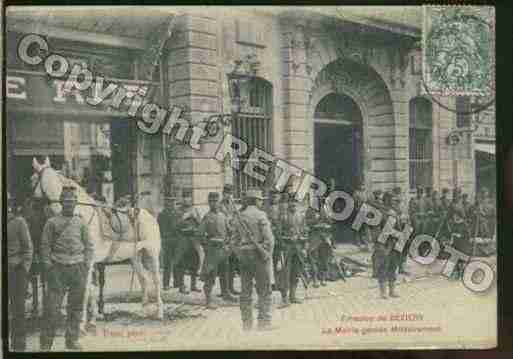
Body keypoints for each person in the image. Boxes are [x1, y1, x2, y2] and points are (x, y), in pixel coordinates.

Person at [40, 186, 94, 351]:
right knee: (52, 307)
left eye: (72, 202)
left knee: (76, 306)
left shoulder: (81, 222)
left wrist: (85, 265)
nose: (69, 204)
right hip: (58, 268)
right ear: (61, 202)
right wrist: (49, 266)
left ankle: (72, 340)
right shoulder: (52, 223)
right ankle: (46, 342)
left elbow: (89, 246)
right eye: (66, 201)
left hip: (78, 268)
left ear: (76, 203)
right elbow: (44, 246)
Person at [237, 189, 275, 331]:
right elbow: (269, 239)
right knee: (264, 290)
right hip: (259, 256)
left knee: (245, 291)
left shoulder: (240, 216)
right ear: (256, 200)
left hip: (244, 256)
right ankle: (264, 322)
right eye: (260, 200)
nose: (261, 202)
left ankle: (246, 324)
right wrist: (267, 254)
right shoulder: (261, 215)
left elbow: (234, 240)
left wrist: (240, 254)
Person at [199, 192, 235, 309]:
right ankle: (208, 299)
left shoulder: (223, 216)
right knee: (210, 275)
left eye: (216, 201)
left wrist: (229, 243)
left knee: (225, 273)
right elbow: (200, 234)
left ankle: (226, 294)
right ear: (209, 203)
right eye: (211, 201)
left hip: (223, 250)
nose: (214, 204)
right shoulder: (207, 217)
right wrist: (207, 246)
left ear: (219, 202)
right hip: (212, 251)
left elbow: (230, 231)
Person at [7, 193, 33, 352]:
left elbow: (28, 249)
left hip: (16, 272)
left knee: (18, 310)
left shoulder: (19, 222)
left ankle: (18, 345)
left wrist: (23, 270)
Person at [278, 196, 308, 307]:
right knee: (285, 273)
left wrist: (304, 245)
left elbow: (305, 231)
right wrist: (287, 239)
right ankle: (284, 298)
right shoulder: (283, 217)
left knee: (296, 272)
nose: (293, 204)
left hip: (299, 248)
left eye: (295, 202)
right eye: (291, 202)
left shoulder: (301, 216)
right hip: (287, 249)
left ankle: (293, 295)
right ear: (288, 203)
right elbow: (278, 234)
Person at [372, 191, 401, 299]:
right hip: (384, 244)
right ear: (387, 200)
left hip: (394, 243)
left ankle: (392, 291)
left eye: (394, 200)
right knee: (383, 267)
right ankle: (383, 292)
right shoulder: (379, 213)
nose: (394, 202)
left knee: (393, 266)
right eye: (392, 200)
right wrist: (379, 244)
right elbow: (375, 229)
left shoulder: (394, 213)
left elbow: (399, 228)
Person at [157, 194, 187, 292]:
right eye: (170, 201)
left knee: (178, 262)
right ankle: (166, 284)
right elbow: (160, 228)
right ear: (166, 203)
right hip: (168, 241)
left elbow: (182, 225)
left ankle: (177, 283)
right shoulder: (162, 214)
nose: (172, 203)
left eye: (173, 201)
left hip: (176, 240)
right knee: (168, 263)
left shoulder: (177, 213)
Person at [179, 188, 203, 293]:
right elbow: (176, 224)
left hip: (193, 239)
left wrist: (195, 218)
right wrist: (185, 217)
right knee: (183, 264)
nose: (186, 200)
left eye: (188, 197)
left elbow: (201, 224)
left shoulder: (195, 209)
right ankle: (181, 286)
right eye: (184, 197)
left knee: (195, 262)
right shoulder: (179, 210)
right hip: (183, 239)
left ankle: (193, 285)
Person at [219, 184, 241, 297]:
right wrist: (230, 220)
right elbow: (221, 220)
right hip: (224, 238)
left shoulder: (232, 205)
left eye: (231, 194)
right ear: (224, 194)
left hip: (232, 238)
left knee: (232, 264)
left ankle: (231, 288)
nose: (229, 196)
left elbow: (236, 217)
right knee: (224, 265)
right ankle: (224, 290)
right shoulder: (219, 206)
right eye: (227, 193)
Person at [353, 183, 371, 250]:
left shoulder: (365, 193)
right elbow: (354, 202)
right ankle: (358, 243)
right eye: (361, 185)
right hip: (359, 211)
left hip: (365, 211)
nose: (362, 186)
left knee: (366, 228)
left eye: (363, 185)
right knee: (357, 228)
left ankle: (367, 243)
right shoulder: (356, 193)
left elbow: (368, 201)